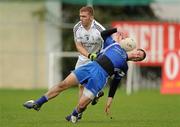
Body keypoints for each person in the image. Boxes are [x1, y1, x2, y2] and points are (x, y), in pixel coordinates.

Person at [23, 27, 146, 123]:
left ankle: (75, 114)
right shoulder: (114, 45)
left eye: (139, 58)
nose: (137, 56)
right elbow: (103, 34)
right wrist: (116, 30)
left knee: (81, 105)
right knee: (63, 84)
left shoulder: (124, 66)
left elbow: (115, 83)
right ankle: (38, 103)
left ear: (136, 61)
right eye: (138, 53)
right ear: (134, 50)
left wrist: (109, 101)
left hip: (100, 78)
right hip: (90, 67)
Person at [73, 6, 105, 115]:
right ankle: (81, 110)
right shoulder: (77, 28)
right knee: (81, 85)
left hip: (97, 60)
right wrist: (88, 55)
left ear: (91, 17)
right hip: (83, 58)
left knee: (85, 84)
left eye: (84, 16)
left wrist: (98, 56)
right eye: (80, 16)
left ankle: (78, 112)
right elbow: (78, 46)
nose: (81, 18)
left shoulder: (100, 29)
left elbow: (106, 45)